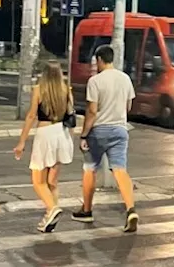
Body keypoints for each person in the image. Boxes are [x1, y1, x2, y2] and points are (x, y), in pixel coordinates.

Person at [72, 44, 139, 232]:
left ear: (99, 60)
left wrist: (84, 134)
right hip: (120, 129)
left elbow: (92, 111)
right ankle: (130, 209)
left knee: (90, 169)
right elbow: (128, 107)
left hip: (99, 131)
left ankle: (86, 210)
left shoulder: (95, 81)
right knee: (120, 170)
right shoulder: (125, 79)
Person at [13, 61, 75, 233]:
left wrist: (22, 142)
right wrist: (71, 140)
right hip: (61, 133)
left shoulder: (39, 90)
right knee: (52, 182)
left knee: (38, 181)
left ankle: (52, 209)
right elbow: (71, 116)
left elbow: (32, 115)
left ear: (44, 74)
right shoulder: (66, 91)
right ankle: (50, 218)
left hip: (45, 133)